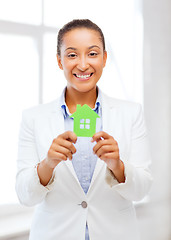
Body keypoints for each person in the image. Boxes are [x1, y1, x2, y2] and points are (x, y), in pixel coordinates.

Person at [16, 19, 153, 240]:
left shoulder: (131, 113)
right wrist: (48, 164)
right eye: (71, 55)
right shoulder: (33, 117)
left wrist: (117, 166)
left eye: (92, 53)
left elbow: (142, 189)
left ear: (104, 58)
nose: (82, 64)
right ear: (59, 61)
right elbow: (25, 195)